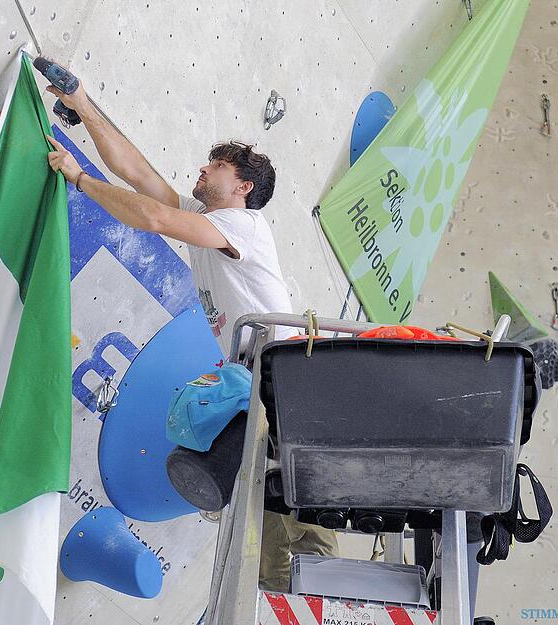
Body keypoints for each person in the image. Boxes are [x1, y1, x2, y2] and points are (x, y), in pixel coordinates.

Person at [44, 75, 338, 591]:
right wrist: (82, 104)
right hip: (260, 392)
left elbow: (155, 217)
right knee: (264, 528)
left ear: (243, 187)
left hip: (290, 389)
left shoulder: (243, 227)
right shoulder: (207, 221)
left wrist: (80, 180)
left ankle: (330, 601)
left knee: (306, 523)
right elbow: (138, 173)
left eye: (217, 166)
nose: (203, 169)